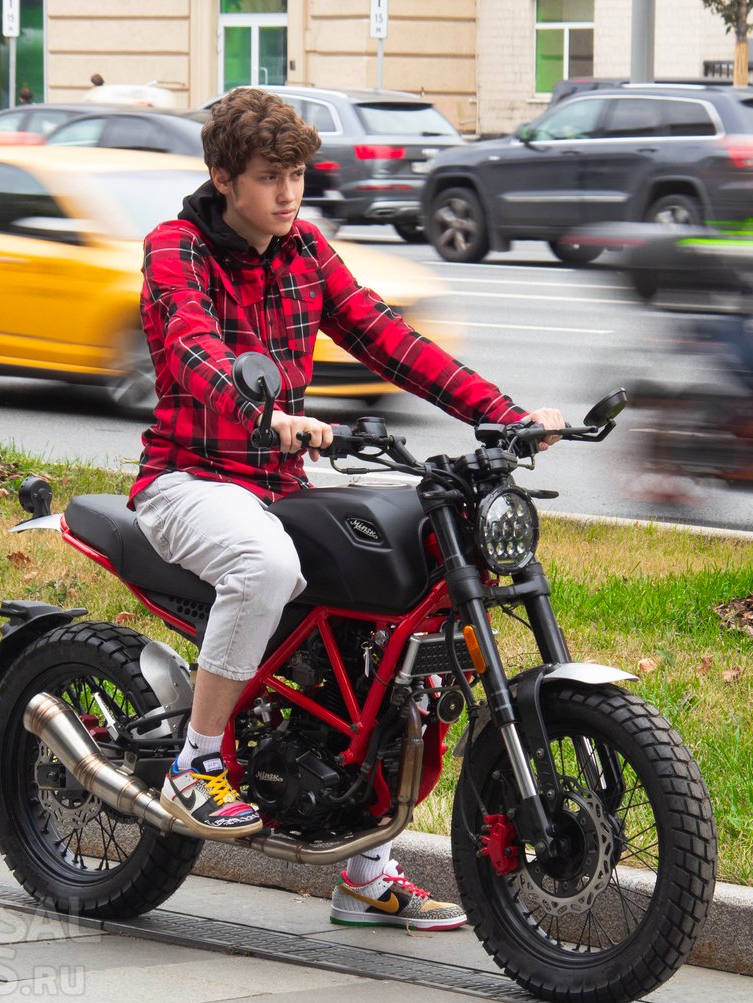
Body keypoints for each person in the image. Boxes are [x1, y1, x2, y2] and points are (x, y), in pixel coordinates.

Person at [133, 88, 564, 931]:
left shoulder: (304, 251)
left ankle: (367, 871)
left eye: (296, 174)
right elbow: (193, 350)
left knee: (401, 632)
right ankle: (195, 763)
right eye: (269, 176)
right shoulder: (176, 248)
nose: (287, 192)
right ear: (224, 178)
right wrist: (265, 415)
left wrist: (502, 415)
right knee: (264, 565)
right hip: (189, 481)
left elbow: (386, 338)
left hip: (281, 487)